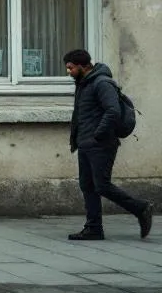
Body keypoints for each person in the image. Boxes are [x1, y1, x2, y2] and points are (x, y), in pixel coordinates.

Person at [64, 49, 155, 240]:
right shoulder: (84, 84)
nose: (68, 71)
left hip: (100, 144)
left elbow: (112, 111)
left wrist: (98, 135)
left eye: (71, 68)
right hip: (86, 143)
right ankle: (94, 228)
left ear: (82, 66)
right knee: (87, 185)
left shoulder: (102, 83)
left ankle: (141, 208)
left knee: (102, 185)